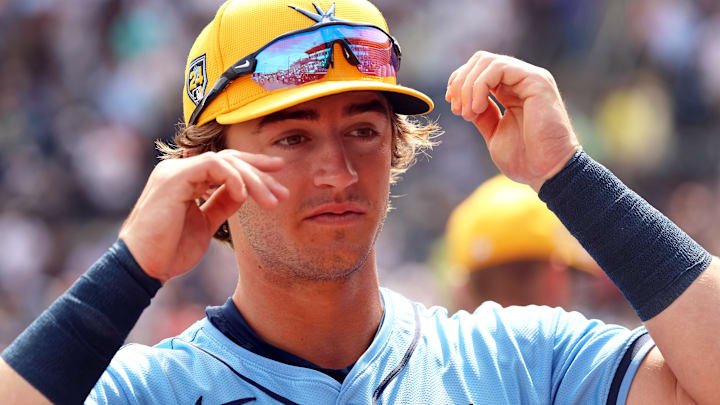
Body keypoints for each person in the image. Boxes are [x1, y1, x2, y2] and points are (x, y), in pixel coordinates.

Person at [1, 0, 718, 404]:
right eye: (291, 137)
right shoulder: (145, 390)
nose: (338, 171)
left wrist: (569, 177)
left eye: (365, 131)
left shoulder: (520, 360)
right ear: (207, 167)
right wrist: (131, 269)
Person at [445, 175, 638, 325]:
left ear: (462, 291)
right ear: (554, 279)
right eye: (574, 281)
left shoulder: (431, 368)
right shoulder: (597, 367)